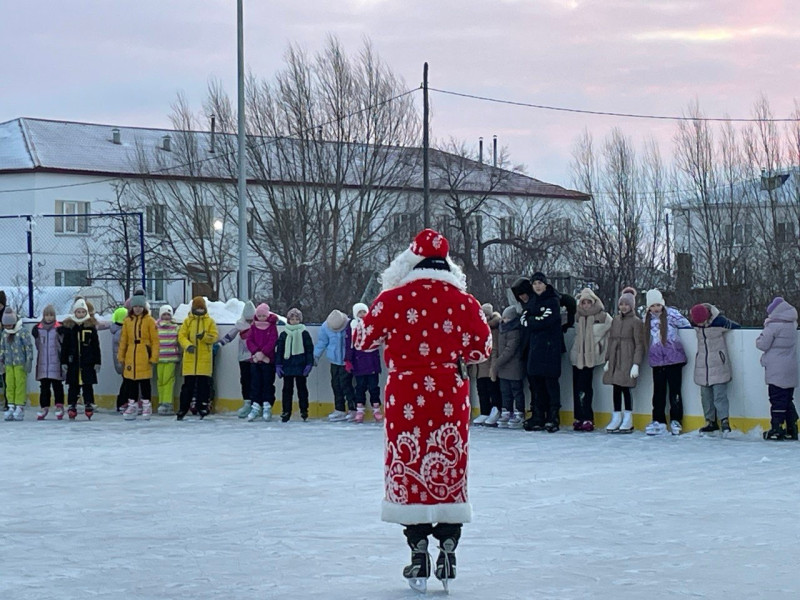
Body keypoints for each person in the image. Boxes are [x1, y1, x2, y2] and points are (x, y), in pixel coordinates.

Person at [354, 228, 492, 593]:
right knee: (448, 461)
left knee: (410, 461)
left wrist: (363, 317)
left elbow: (364, 339)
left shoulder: (393, 297)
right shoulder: (464, 301)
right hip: (450, 391)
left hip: (405, 393)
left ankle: (417, 549)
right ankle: (448, 543)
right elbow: (482, 349)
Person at [512, 273, 563, 433]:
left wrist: (533, 321)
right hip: (535, 349)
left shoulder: (552, 300)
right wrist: (533, 320)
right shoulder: (533, 302)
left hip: (550, 348)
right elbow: (525, 319)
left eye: (540, 283)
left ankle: (553, 416)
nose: (538, 286)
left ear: (545, 284)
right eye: (535, 284)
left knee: (550, 383)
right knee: (536, 384)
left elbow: (547, 319)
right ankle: (538, 416)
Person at [643, 289, 691, 436]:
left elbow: (687, 326)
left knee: (675, 391)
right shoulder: (646, 320)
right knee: (658, 392)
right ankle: (658, 420)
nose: (656, 309)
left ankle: (676, 419)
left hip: (674, 360)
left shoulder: (672, 315)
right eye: (652, 306)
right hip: (657, 361)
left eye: (658, 305)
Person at [689, 303, 740, 435]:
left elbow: (737, 327)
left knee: (720, 396)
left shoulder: (719, 322)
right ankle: (710, 421)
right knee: (705, 396)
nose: (701, 325)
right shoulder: (695, 324)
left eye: (703, 322)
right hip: (702, 366)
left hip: (718, 364)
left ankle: (724, 421)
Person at [569, 288, 612, 431]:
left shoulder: (603, 316)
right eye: (583, 302)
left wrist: (601, 347)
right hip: (577, 356)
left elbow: (611, 330)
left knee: (586, 387)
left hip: (591, 356)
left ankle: (588, 417)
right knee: (577, 387)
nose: (586, 305)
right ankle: (578, 416)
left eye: (589, 302)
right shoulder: (577, 316)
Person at [756, 297, 798, 441]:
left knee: (776, 398)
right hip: (790, 367)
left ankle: (777, 427)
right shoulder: (792, 324)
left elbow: (762, 344)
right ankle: (792, 427)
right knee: (786, 398)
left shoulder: (773, 326)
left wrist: (760, 337)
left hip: (776, 368)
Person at [602, 289, 644, 433]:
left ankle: (628, 417)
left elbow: (639, 344)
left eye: (627, 304)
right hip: (615, 357)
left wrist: (636, 364)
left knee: (626, 388)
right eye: (621, 304)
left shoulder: (636, 322)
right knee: (616, 387)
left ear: (632, 306)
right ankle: (616, 415)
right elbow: (611, 340)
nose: (624, 307)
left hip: (627, 357)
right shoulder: (616, 320)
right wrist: (607, 359)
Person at [118, 290, 159, 420]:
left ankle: (146, 404)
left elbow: (155, 341)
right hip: (131, 354)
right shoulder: (127, 321)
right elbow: (123, 340)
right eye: (135, 306)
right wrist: (121, 356)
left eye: (140, 307)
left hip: (144, 355)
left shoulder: (150, 321)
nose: (137, 309)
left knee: (144, 381)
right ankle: (132, 404)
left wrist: (154, 356)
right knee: (131, 382)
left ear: (144, 307)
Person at [59, 298, 101, 420]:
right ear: (74, 312)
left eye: (83, 312)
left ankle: (89, 403)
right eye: (78, 312)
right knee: (73, 386)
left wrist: (97, 361)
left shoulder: (90, 327)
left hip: (87, 363)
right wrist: (64, 361)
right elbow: (65, 346)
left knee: (88, 385)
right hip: (73, 363)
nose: (81, 314)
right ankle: (72, 404)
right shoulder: (70, 327)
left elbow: (95, 346)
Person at [177, 296, 218, 420]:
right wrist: (187, 345)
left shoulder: (210, 321)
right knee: (187, 386)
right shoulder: (187, 321)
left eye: (201, 308)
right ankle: (183, 408)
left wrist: (204, 337)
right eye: (197, 308)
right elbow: (181, 336)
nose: (199, 311)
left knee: (203, 386)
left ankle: (202, 407)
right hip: (190, 359)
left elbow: (214, 336)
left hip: (204, 360)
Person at [314, 309, 356, 422]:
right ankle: (339, 409)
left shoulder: (350, 325)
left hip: (346, 362)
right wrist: (315, 356)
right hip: (334, 361)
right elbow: (322, 342)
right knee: (335, 384)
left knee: (346, 385)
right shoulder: (325, 327)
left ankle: (353, 409)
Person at [345, 302, 383, 423]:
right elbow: (349, 344)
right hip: (359, 361)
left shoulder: (373, 324)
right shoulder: (352, 326)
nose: (362, 315)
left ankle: (376, 408)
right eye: (359, 313)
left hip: (372, 360)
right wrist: (348, 360)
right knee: (360, 387)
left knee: (373, 387)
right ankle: (360, 409)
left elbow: (379, 338)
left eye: (364, 312)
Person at [217, 301, 256, 418]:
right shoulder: (240, 324)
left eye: (251, 320)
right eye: (247, 320)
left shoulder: (258, 325)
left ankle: (256, 404)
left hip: (255, 358)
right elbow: (230, 335)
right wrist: (219, 344)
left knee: (255, 381)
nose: (249, 322)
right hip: (243, 358)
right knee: (245, 381)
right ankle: (247, 402)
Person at [275, 307, 314, 422]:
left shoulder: (304, 333)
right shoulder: (284, 334)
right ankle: (286, 411)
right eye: (292, 318)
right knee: (287, 390)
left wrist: (309, 364)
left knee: (302, 389)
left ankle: (304, 410)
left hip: (301, 366)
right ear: (288, 320)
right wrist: (278, 364)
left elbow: (309, 349)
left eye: (297, 319)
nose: (295, 321)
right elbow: (279, 351)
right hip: (287, 366)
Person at [491, 306, 526, 429]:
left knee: (516, 390)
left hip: (514, 367)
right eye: (503, 317)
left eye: (507, 318)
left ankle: (519, 412)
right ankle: (507, 410)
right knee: (505, 391)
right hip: (503, 368)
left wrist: (497, 362)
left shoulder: (515, 331)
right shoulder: (501, 330)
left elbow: (510, 350)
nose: (504, 320)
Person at [245, 303, 279, 422]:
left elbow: (273, 340)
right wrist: (256, 353)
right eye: (259, 315)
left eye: (263, 316)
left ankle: (267, 405)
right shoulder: (253, 326)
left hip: (268, 360)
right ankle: (255, 406)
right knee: (255, 384)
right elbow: (249, 340)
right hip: (255, 360)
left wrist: (263, 353)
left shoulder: (271, 327)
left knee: (267, 383)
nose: (261, 318)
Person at [31, 304, 64, 420]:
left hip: (56, 362)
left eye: (51, 315)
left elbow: (62, 345)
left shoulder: (59, 328)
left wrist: (62, 333)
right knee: (44, 387)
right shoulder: (39, 329)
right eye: (46, 315)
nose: (49, 318)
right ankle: (44, 406)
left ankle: (59, 406)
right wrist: (35, 336)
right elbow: (38, 346)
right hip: (43, 364)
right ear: (43, 316)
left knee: (57, 386)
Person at [472, 303, 502, 426]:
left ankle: (496, 410)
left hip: (489, 365)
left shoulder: (493, 330)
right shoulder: (477, 329)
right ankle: (485, 411)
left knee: (493, 389)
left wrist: (493, 367)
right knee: (481, 390)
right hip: (479, 367)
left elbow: (494, 350)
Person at [1, 307, 33, 421]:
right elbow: (2, 348)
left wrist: (29, 360)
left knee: (20, 384)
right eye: (5, 325)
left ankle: (19, 406)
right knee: (9, 384)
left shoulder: (22, 332)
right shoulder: (5, 333)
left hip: (20, 363)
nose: (8, 327)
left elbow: (28, 346)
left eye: (9, 325)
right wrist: (1, 360)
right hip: (9, 363)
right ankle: (11, 405)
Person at [156, 304, 180, 415]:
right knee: (160, 380)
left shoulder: (175, 326)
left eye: (168, 314)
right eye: (164, 314)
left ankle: (167, 402)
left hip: (171, 358)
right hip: (159, 358)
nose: (166, 317)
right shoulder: (156, 326)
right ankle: (161, 401)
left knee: (168, 380)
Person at [109, 306, 128, 412]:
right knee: (127, 382)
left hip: (121, 362)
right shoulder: (121, 332)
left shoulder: (116, 330)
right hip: (123, 362)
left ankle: (123, 402)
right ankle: (122, 402)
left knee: (126, 381)